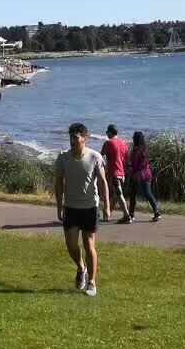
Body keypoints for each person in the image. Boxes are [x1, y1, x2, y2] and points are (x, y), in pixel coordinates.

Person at [55, 121, 111, 297]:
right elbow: (58, 183)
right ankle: (81, 268)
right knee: (71, 244)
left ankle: (92, 283)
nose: (72, 141)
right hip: (70, 207)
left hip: (89, 207)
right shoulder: (63, 158)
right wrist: (59, 206)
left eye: (76, 137)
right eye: (71, 137)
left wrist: (107, 205)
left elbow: (102, 182)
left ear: (84, 138)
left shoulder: (95, 157)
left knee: (89, 244)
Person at [126, 130, 161, 223]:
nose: (132, 138)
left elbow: (142, 163)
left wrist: (135, 172)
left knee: (139, 194)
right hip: (143, 174)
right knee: (145, 194)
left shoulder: (140, 149)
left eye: (134, 137)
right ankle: (155, 213)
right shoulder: (139, 149)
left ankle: (132, 215)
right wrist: (130, 167)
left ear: (136, 139)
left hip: (141, 174)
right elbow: (134, 163)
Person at [101, 124, 130, 223]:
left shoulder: (108, 143)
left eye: (107, 132)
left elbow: (100, 157)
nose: (106, 134)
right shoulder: (124, 143)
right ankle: (108, 214)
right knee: (115, 195)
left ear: (110, 132)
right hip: (122, 173)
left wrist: (103, 169)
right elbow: (126, 159)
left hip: (114, 173)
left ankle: (126, 215)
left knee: (118, 194)